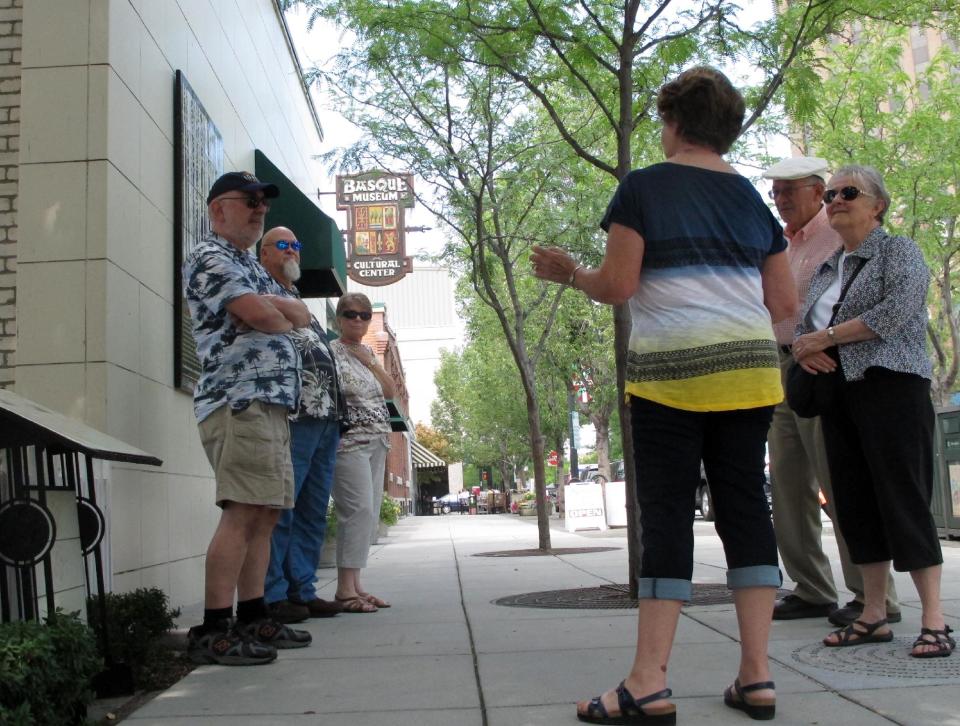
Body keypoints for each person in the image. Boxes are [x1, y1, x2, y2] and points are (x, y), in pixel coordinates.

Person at [532, 66, 797, 723]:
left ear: (674, 122)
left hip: (672, 376)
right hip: (749, 373)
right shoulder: (755, 206)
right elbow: (785, 305)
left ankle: (648, 681)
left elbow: (619, 286)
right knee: (745, 510)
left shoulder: (643, 188)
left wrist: (572, 274)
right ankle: (757, 676)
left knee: (670, 516)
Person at [793, 165, 953, 658]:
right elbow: (804, 326)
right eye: (832, 194)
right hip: (839, 392)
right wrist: (805, 346)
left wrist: (828, 338)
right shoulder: (828, 266)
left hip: (891, 387)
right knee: (854, 502)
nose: (835, 199)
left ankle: (934, 620)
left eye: (848, 192)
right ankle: (872, 614)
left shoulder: (897, 250)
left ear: (877, 205)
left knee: (903, 496)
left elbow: (898, 309)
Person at [761, 158, 900, 625]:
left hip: (825, 366)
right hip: (782, 367)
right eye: (774, 192)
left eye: (789, 191)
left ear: (816, 190)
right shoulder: (782, 244)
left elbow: (855, 299)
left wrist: (821, 346)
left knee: (840, 481)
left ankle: (872, 596)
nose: (779, 200)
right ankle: (812, 588)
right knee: (787, 484)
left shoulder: (839, 233)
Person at [183, 172, 313, 665]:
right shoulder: (210, 257)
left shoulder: (250, 266)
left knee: (265, 512)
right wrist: (278, 313)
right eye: (249, 201)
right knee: (241, 511)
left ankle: (254, 614)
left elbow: (296, 313)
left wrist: (280, 310)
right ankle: (214, 629)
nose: (260, 209)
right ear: (219, 210)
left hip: (272, 403)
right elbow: (263, 316)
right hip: (239, 400)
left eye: (263, 203)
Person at [259, 226, 345, 623]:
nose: (293, 250)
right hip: (293, 415)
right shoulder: (255, 283)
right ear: (264, 252)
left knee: (312, 510)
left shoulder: (295, 296)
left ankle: (303, 589)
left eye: (297, 244)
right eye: (283, 245)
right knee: (283, 509)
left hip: (325, 416)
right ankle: (274, 594)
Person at [329, 292, 395, 613]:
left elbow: (389, 390)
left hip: (377, 439)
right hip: (348, 441)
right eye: (351, 314)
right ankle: (344, 591)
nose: (358, 320)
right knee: (355, 511)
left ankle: (355, 585)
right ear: (339, 317)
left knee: (368, 513)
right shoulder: (332, 353)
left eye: (364, 315)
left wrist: (369, 361)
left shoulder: (368, 351)